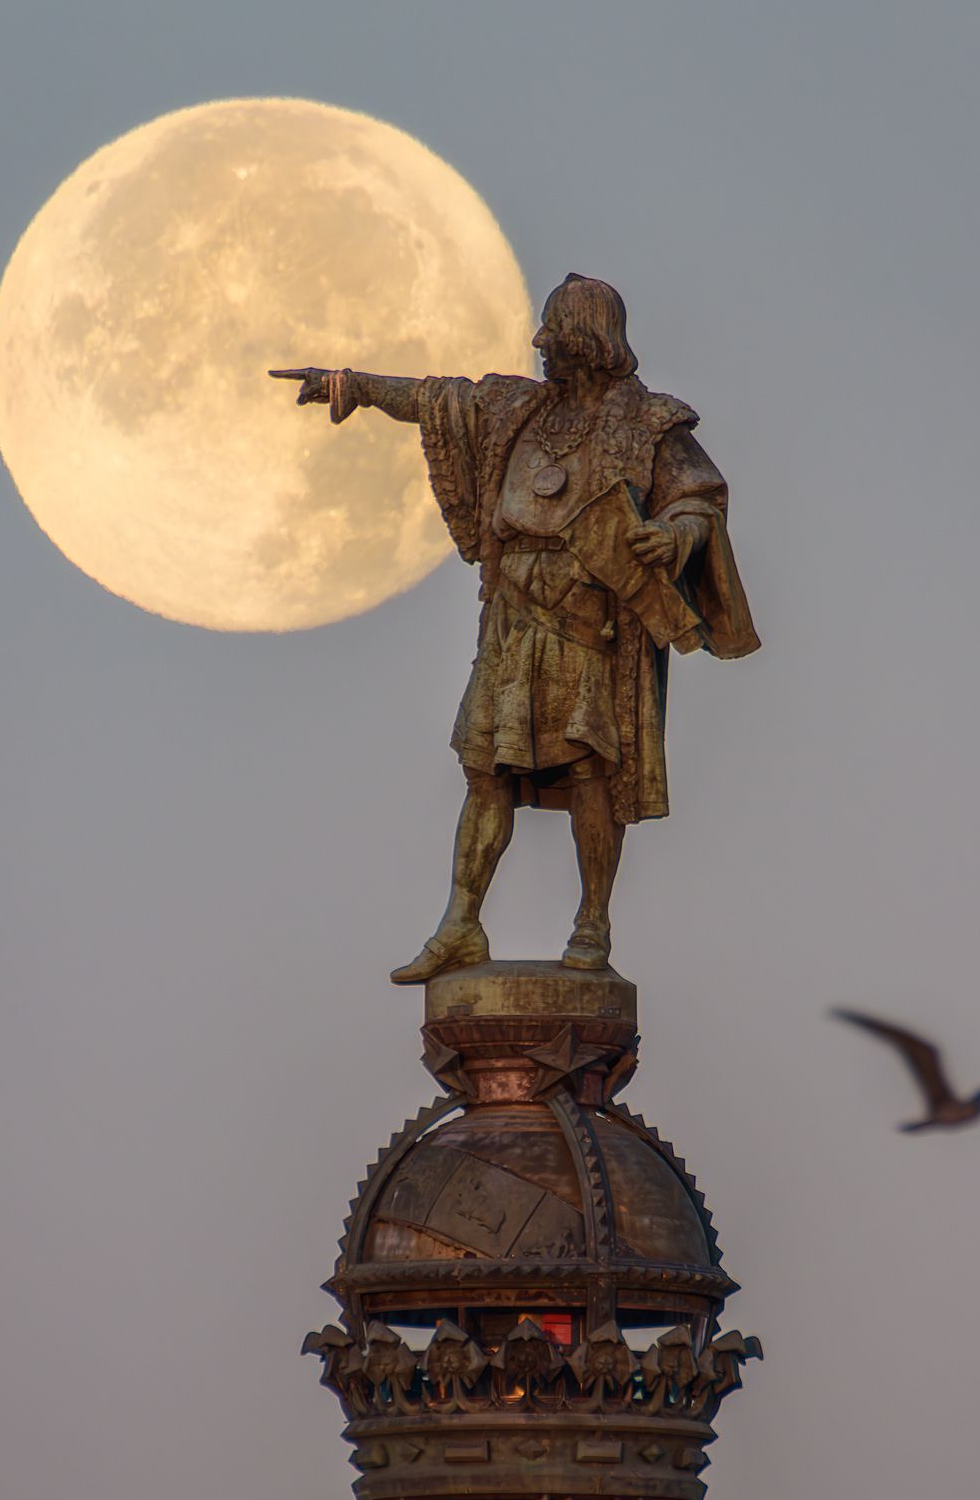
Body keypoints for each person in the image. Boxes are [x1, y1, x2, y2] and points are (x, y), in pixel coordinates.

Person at [274, 274, 759, 981]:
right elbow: (438, 399)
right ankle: (459, 926)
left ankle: (592, 926)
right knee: (485, 775)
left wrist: (672, 536)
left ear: (588, 339)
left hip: (589, 625)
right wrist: (349, 384)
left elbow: (698, 500)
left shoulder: (650, 424)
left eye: (552, 331)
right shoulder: (514, 411)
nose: (539, 343)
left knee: (592, 771)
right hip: (510, 624)